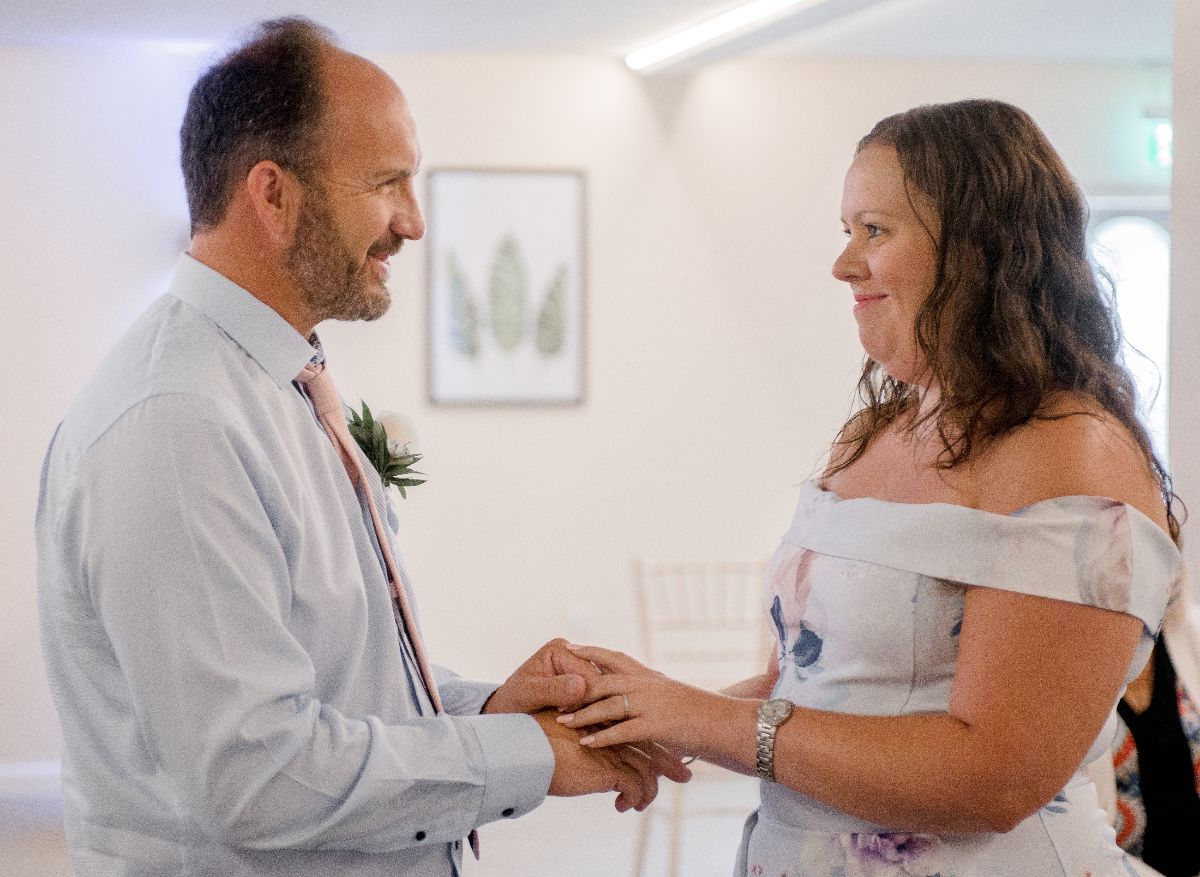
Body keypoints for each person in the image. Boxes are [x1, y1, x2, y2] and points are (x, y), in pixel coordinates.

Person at [35, 17, 686, 877]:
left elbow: (335, 685)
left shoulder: (277, 382)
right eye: (389, 183)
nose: (413, 222)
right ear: (273, 196)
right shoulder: (177, 421)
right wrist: (528, 755)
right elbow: (261, 773)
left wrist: (489, 706)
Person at [557, 98, 1184, 875]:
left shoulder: (1072, 452)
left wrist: (709, 717)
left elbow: (994, 774)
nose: (844, 263)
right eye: (846, 231)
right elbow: (831, 687)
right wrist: (655, 715)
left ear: (975, 246)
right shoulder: (877, 431)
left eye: (875, 231)